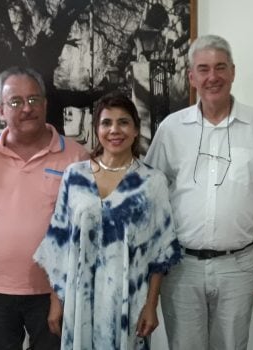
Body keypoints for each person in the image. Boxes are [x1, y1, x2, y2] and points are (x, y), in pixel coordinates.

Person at [145, 34, 253, 349]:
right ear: (191, 77)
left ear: (233, 72)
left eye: (220, 67)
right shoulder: (171, 129)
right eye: (203, 69)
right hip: (180, 266)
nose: (213, 77)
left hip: (239, 265)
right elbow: (151, 197)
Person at [34, 92, 181, 349]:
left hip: (128, 298)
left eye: (123, 122)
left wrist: (150, 305)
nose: (115, 130)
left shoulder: (152, 182)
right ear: (97, 129)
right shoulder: (74, 176)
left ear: (136, 130)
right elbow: (59, 244)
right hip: (80, 300)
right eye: (106, 123)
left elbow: (160, 253)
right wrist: (56, 302)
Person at [0, 67, 89, 350]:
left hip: (53, 290)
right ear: (0, 110)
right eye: (16, 102)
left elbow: (86, 227)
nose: (26, 109)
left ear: (45, 104)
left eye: (33, 100)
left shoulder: (76, 156)